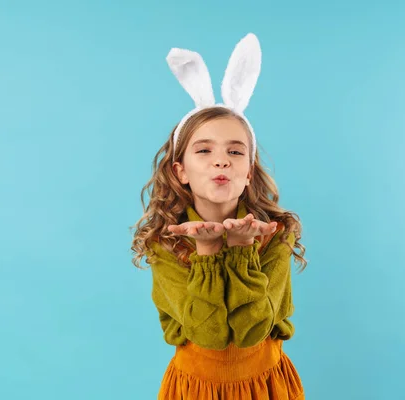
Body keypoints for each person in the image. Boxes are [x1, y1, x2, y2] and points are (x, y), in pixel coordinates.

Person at [131, 33, 307, 399]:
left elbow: (253, 329)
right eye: (204, 149)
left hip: (266, 387)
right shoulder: (166, 244)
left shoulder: (275, 234)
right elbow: (208, 334)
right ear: (180, 171)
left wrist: (243, 249)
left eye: (235, 151)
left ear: (249, 172)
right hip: (194, 389)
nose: (221, 159)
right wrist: (207, 253)